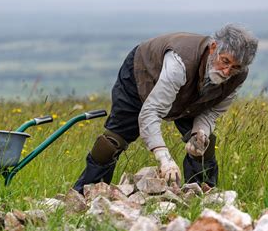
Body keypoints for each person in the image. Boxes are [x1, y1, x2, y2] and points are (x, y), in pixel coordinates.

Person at [73, 24, 258, 194]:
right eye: (225, 61)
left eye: (234, 67)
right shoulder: (179, 63)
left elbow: (212, 112)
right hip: (142, 76)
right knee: (111, 143)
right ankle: (85, 195)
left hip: (191, 96)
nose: (227, 72)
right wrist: (164, 157)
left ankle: (202, 198)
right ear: (213, 48)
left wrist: (199, 132)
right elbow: (151, 112)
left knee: (203, 145)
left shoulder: (238, 76)